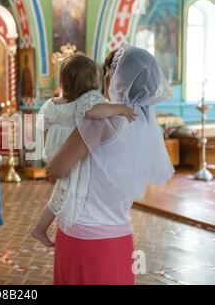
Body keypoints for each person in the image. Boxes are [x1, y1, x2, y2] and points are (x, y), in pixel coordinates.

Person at [45, 45, 174, 285]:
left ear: (117, 78)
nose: (105, 77)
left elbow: (56, 168)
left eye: (109, 71)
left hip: (84, 236)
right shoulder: (146, 123)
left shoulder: (103, 122)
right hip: (120, 236)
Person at [31, 53, 137, 247]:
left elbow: (42, 127)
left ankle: (40, 228)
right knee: (67, 193)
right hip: (73, 157)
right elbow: (94, 112)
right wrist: (119, 108)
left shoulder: (50, 104)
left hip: (55, 152)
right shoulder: (85, 104)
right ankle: (51, 226)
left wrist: (50, 151)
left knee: (59, 193)